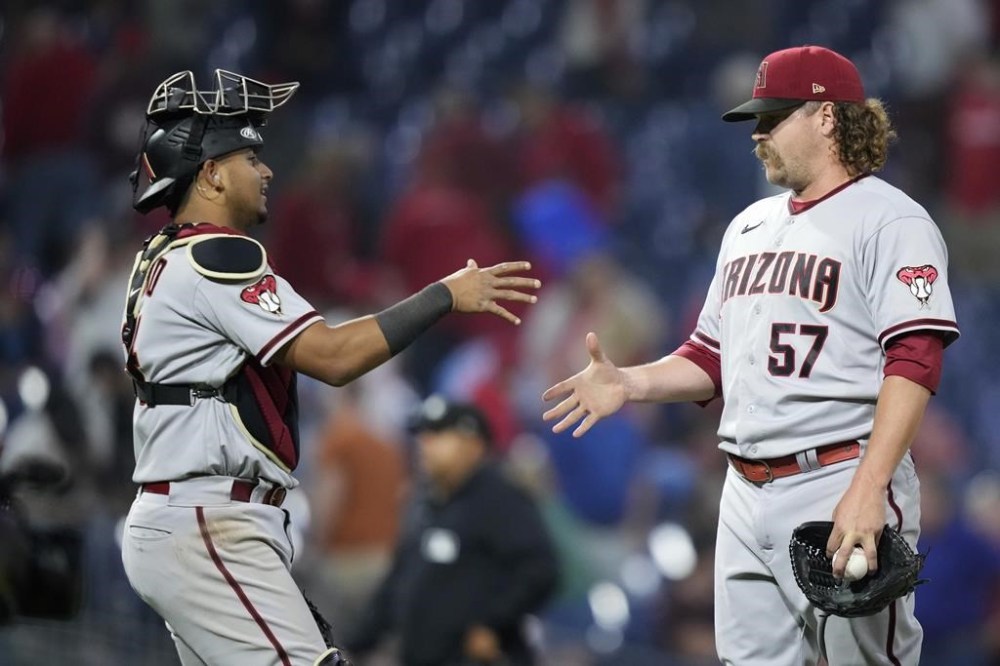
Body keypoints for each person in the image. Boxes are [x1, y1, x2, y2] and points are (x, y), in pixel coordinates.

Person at [542, 45, 960, 665]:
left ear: (825, 116)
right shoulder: (747, 227)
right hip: (742, 488)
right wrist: (629, 382)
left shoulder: (891, 220)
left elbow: (916, 359)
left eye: (773, 117)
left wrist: (871, 487)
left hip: (839, 477)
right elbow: (710, 356)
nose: (758, 134)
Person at [118, 69, 541, 666]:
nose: (265, 171)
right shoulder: (217, 255)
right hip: (208, 522)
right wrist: (444, 294)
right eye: (247, 155)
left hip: (190, 516)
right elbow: (334, 357)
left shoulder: (159, 257)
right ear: (210, 172)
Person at [347, 395, 559, 665]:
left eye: (437, 435)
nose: (425, 444)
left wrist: (492, 624)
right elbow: (398, 583)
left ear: (472, 444)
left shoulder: (499, 498)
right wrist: (357, 644)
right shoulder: (429, 503)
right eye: (422, 436)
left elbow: (540, 568)